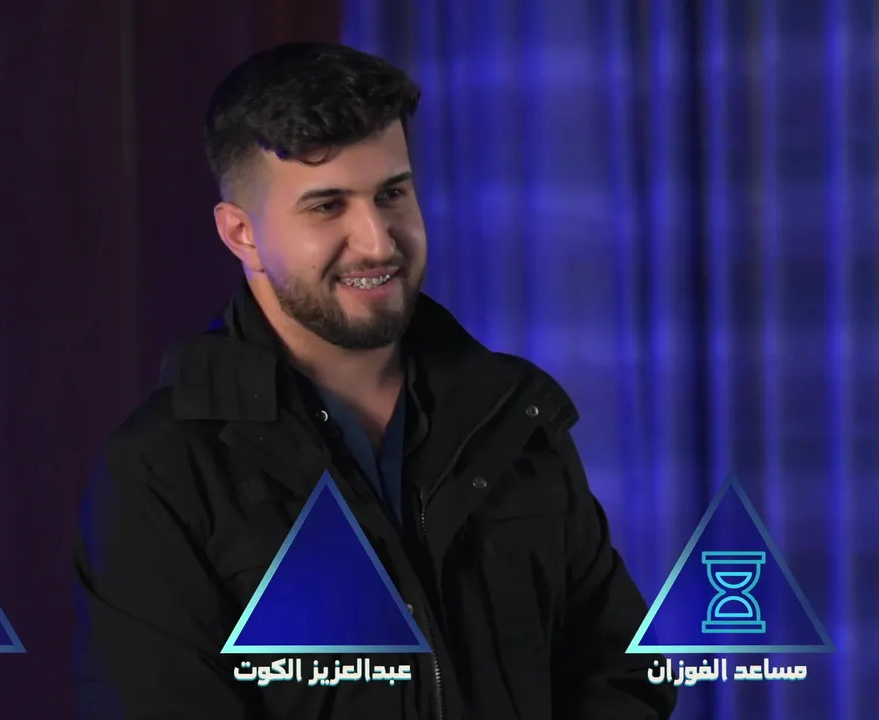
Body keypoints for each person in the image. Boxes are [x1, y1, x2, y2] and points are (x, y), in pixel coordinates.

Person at [74, 42, 676, 720]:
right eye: (327, 206)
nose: (378, 242)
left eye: (392, 194)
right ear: (241, 234)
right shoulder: (164, 469)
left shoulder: (514, 416)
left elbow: (623, 673)